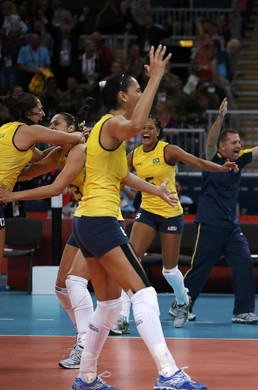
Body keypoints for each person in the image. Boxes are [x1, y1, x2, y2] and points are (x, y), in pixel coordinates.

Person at [69, 45, 206, 389]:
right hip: (100, 220)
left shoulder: (107, 128)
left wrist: (155, 190)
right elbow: (133, 126)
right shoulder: (115, 124)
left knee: (111, 304)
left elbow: (120, 176)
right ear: (122, 96)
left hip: (87, 221)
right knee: (143, 294)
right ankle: (168, 373)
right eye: (137, 89)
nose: (141, 93)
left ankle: (86, 377)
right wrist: (156, 76)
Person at [0, 111, 178, 370]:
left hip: (103, 219)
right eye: (49, 124)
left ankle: (85, 344)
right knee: (62, 287)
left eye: (56, 124)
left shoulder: (81, 150)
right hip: (86, 218)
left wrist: (11, 197)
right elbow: (27, 173)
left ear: (71, 129)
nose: (51, 128)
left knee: (78, 283)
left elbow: (56, 188)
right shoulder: (59, 153)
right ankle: (84, 340)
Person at [111, 113, 237, 332]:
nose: (146, 131)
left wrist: (220, 167)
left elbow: (197, 162)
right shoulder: (134, 155)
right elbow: (120, 178)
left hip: (170, 213)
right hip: (147, 212)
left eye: (151, 128)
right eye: (143, 127)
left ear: (158, 132)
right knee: (131, 261)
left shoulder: (168, 150)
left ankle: (182, 301)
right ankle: (122, 317)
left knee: (169, 270)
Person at [183, 101, 258, 324]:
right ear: (222, 147)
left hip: (231, 228)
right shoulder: (212, 160)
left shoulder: (242, 159)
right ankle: (182, 306)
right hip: (209, 226)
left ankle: (242, 311)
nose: (239, 145)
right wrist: (220, 118)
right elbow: (210, 141)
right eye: (234, 142)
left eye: (240, 142)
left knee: (244, 264)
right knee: (199, 269)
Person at [1, 93, 84, 268]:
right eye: (39, 110)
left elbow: (39, 159)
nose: (43, 114)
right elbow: (77, 138)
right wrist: (78, 133)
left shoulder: (7, 128)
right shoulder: (31, 131)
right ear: (27, 113)